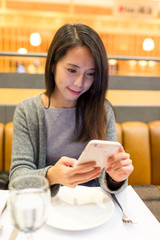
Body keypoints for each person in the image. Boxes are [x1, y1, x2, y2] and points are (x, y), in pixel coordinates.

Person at [9, 23, 134, 196]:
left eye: (90, 73)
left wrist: (116, 177)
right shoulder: (28, 111)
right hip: (47, 209)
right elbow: (17, 178)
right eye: (72, 70)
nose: (80, 83)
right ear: (53, 66)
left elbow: (108, 178)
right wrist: (51, 176)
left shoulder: (102, 109)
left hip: (94, 208)